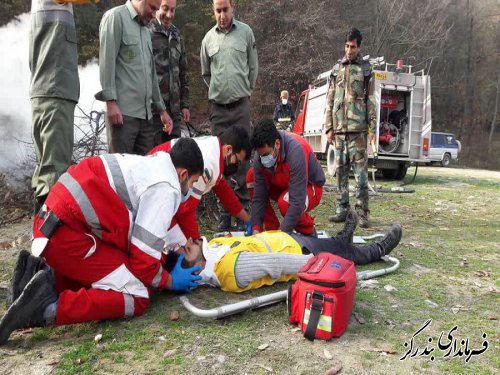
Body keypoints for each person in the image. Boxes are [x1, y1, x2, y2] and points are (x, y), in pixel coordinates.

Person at [0, 138, 204, 345]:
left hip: (54, 226)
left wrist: (162, 263)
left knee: (121, 268)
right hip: (67, 236)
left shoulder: (152, 166)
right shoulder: (167, 187)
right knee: (137, 296)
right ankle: (45, 309)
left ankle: (33, 280)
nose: (190, 189)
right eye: (193, 182)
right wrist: (169, 281)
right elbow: (142, 260)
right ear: (183, 174)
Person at [166, 211, 403, 292]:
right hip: (298, 251)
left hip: (286, 239)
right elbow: (277, 264)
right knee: (343, 254)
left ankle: (343, 239)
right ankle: (377, 249)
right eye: (187, 249)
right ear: (195, 268)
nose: (190, 242)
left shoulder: (213, 252)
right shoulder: (229, 269)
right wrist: (317, 263)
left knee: (337, 246)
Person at [29, 0, 97, 212]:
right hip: (54, 89)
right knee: (54, 176)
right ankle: (50, 237)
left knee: (47, 172)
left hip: (50, 90)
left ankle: (42, 235)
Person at [200, 0, 258, 231]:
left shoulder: (246, 33)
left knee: (242, 159)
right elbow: (206, 73)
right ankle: (225, 214)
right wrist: (220, 91)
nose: (222, 15)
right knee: (221, 161)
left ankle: (244, 213)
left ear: (233, 6)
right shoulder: (207, 39)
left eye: (225, 10)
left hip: (241, 106)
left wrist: (243, 90)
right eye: (218, 11)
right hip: (218, 109)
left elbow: (252, 68)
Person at [96, 0, 173, 155]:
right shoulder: (115, 18)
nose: (154, 14)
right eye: (152, 8)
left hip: (146, 117)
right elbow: (106, 62)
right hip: (123, 115)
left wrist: (162, 110)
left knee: (144, 172)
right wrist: (110, 102)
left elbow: (151, 74)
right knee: (122, 171)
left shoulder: (146, 31)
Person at [149, 126, 252, 241]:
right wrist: (198, 245)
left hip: (158, 173)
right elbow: (186, 211)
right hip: (154, 181)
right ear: (228, 149)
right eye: (236, 160)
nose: (236, 165)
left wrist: (246, 218)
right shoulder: (208, 163)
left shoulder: (215, 148)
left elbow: (224, 191)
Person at [324, 27, 376, 228]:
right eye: (346, 46)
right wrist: (329, 127)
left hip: (358, 131)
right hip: (339, 131)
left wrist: (371, 127)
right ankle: (342, 209)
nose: (349, 50)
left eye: (352, 47)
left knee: (361, 175)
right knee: (340, 172)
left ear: (359, 47)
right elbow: (330, 99)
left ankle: (362, 212)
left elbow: (371, 99)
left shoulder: (365, 69)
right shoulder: (336, 69)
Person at [247, 120, 325, 236]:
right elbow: (259, 197)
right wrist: (256, 228)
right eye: (260, 155)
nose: (263, 159)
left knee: (285, 203)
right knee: (251, 176)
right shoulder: (260, 156)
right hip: (284, 184)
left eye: (266, 155)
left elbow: (297, 201)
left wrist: (282, 236)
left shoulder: (296, 151)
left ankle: (309, 232)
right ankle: (272, 230)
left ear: (277, 144)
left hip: (310, 186)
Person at [148, 0, 190, 145]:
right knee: (154, 158)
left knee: (175, 159)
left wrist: (185, 105)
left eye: (173, 10)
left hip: (175, 112)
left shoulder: (177, 35)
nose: (169, 14)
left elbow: (183, 73)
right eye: (165, 9)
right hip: (153, 113)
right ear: (157, 6)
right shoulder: (147, 31)